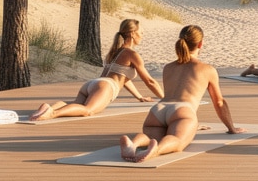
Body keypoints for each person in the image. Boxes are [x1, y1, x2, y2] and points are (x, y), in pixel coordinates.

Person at [120, 25, 241, 163]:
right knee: (177, 141)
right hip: (183, 111)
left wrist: (190, 124)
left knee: (150, 137)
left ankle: (133, 144)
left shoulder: (168, 67)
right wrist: (231, 128)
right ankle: (156, 150)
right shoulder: (207, 69)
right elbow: (219, 102)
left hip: (158, 110)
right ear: (200, 44)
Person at [28, 19, 162, 121]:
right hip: (106, 86)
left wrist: (139, 97)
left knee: (76, 104)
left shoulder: (114, 51)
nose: (142, 36)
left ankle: (49, 107)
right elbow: (149, 81)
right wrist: (166, 98)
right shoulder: (132, 54)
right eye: (141, 33)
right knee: (88, 110)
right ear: (133, 33)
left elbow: (123, 78)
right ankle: (51, 113)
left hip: (93, 84)